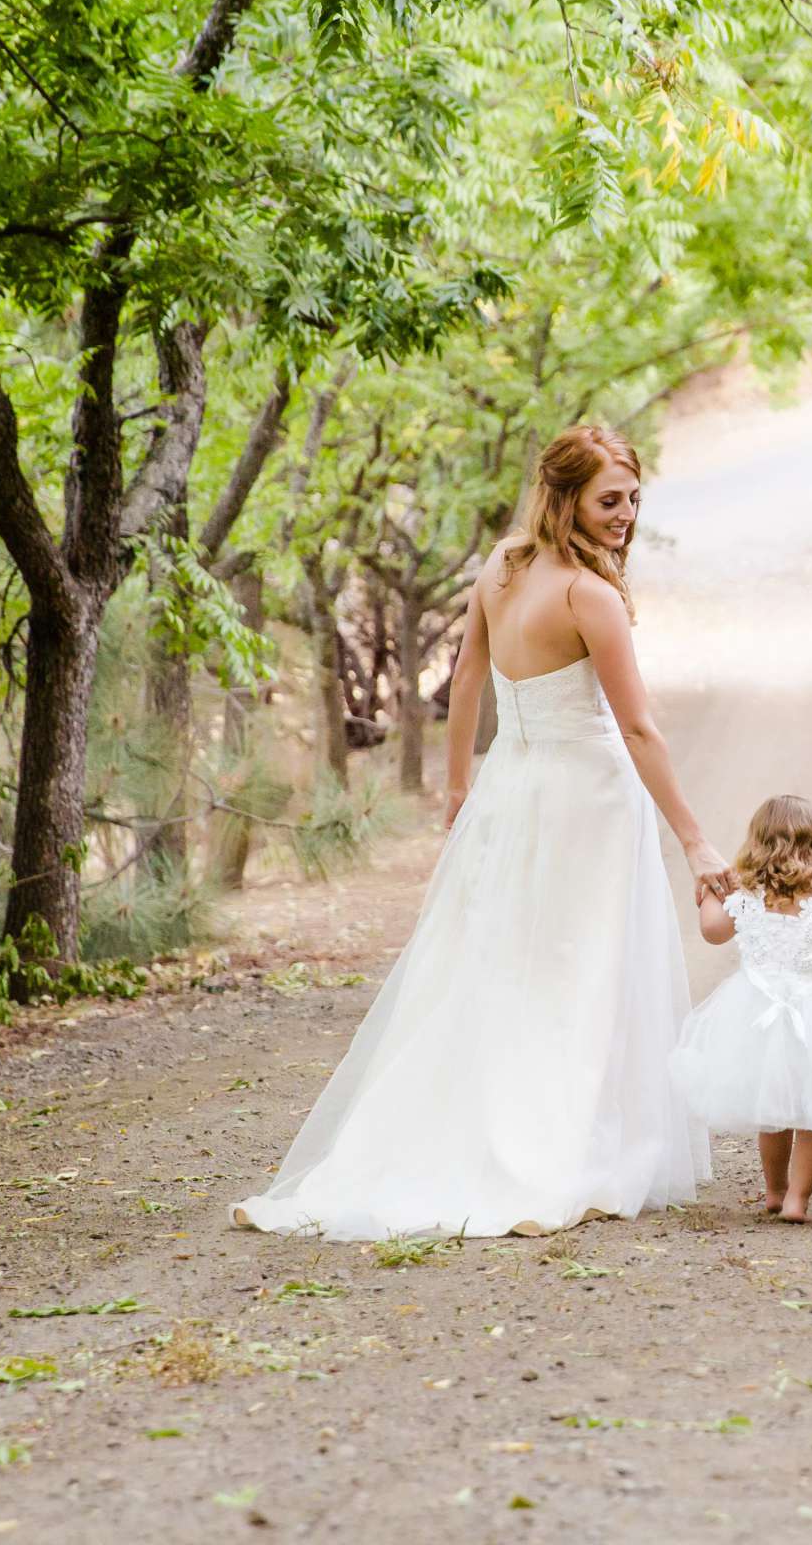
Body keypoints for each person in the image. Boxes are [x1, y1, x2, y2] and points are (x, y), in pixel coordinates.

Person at [231, 425, 725, 1241]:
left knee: (506, 962)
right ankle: (557, 1144)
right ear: (563, 498)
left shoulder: (502, 565)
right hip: (587, 798)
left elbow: (464, 679)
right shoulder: (588, 596)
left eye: (634, 499)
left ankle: (504, 1122)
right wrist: (696, 841)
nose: (626, 515)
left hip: (515, 785)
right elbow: (638, 730)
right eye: (610, 500)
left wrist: (462, 788)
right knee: (581, 967)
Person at [668, 796, 812, 1223]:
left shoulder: (746, 900)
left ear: (756, 846)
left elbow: (712, 932)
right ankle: (797, 1199)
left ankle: (773, 1191)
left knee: (772, 1112)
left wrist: (706, 895)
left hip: (754, 1017)